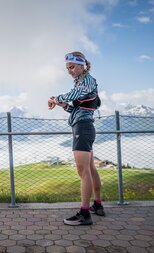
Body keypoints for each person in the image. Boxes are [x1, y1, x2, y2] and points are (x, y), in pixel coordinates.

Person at [48, 51, 105, 226]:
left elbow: (74, 94)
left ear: (81, 65)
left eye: (72, 67)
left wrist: (57, 98)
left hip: (83, 128)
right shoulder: (81, 82)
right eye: (67, 68)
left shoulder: (87, 81)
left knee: (83, 171)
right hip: (84, 126)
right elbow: (75, 108)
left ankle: (84, 213)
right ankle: (97, 204)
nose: (70, 71)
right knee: (90, 168)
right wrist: (61, 104)